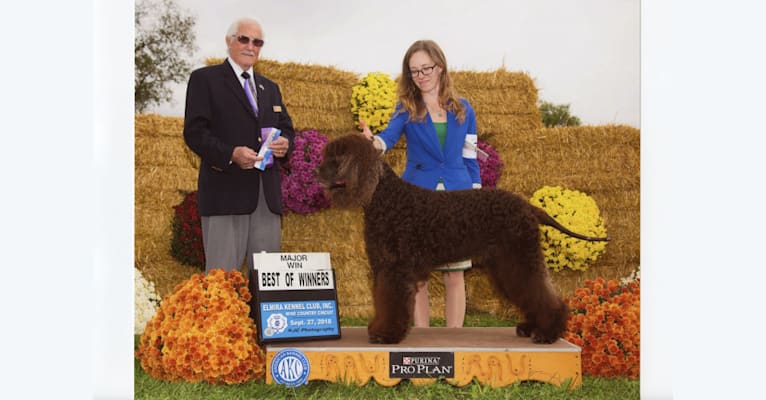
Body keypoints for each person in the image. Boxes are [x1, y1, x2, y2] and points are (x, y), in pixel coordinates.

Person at [360, 39, 481, 328]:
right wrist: (372, 143)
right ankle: (423, 338)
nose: (421, 75)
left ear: (440, 67)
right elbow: (387, 138)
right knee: (417, 275)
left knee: (455, 274)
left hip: (458, 195)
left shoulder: (465, 109)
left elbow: (470, 155)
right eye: (414, 71)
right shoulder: (405, 109)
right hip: (417, 196)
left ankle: (454, 339)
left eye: (426, 68)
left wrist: (475, 192)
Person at [183, 17, 294, 274]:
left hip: (266, 199)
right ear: (229, 41)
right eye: (244, 39)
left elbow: (287, 128)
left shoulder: (270, 88)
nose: (250, 46)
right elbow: (194, 132)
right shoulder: (205, 79)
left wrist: (285, 143)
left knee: (266, 283)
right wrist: (230, 154)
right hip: (225, 195)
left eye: (258, 42)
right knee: (222, 282)